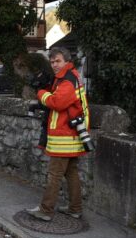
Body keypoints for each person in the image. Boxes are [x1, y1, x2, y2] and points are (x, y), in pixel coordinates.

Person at [26, 47, 91, 221]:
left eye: (58, 61)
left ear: (67, 61)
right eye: (52, 61)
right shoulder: (67, 77)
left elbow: (57, 102)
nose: (54, 64)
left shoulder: (68, 80)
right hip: (70, 134)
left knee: (54, 174)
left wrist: (41, 93)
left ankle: (45, 210)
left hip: (64, 135)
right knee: (71, 173)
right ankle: (75, 208)